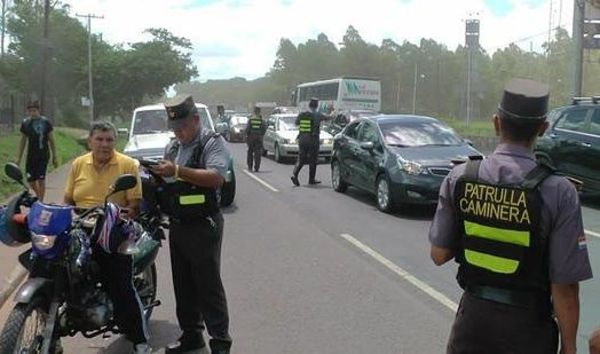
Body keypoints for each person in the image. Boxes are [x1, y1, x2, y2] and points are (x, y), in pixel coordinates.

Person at [428, 78, 593, 354]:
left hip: (472, 326)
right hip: (529, 331)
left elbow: (439, 254)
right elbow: (565, 287)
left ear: (496, 123)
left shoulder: (461, 178)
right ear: (543, 128)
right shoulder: (559, 191)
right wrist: (569, 347)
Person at [149, 95, 232, 354]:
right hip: (179, 224)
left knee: (207, 284)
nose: (179, 132)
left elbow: (216, 177)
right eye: (174, 128)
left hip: (203, 224)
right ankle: (192, 335)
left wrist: (176, 171)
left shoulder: (212, 142)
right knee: (183, 283)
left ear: (196, 120)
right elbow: (169, 183)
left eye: (183, 127)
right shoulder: (173, 147)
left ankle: (220, 341)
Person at [63, 121, 150, 354]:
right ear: (90, 141)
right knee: (57, 269)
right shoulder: (78, 164)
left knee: (120, 284)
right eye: (99, 139)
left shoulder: (127, 164)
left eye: (109, 140)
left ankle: (140, 339)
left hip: (114, 231)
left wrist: (114, 216)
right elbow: (69, 201)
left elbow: (134, 207)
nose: (104, 144)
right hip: (82, 228)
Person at [15, 100, 58, 202]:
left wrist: (54, 156)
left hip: (43, 155)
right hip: (31, 155)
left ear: (39, 110)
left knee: (41, 179)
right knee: (31, 180)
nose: (32, 113)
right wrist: (18, 158)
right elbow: (22, 142)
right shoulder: (26, 123)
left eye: (34, 110)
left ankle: (41, 202)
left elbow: (51, 140)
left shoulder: (45, 122)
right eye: (30, 111)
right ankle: (39, 196)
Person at [290, 98, 332, 186]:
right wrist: (332, 111)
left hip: (302, 139)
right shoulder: (318, 115)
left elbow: (296, 123)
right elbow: (329, 117)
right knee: (313, 160)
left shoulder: (302, 114)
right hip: (313, 139)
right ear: (316, 105)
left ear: (309, 105)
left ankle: (295, 174)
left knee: (301, 158)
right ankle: (311, 179)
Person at [245, 106, 266, 172]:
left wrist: (247, 135)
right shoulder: (261, 120)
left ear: (254, 111)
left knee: (250, 152)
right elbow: (264, 128)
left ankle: (250, 166)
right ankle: (256, 167)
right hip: (259, 137)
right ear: (259, 112)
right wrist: (261, 134)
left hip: (251, 137)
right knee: (257, 153)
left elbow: (247, 129)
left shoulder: (251, 119)